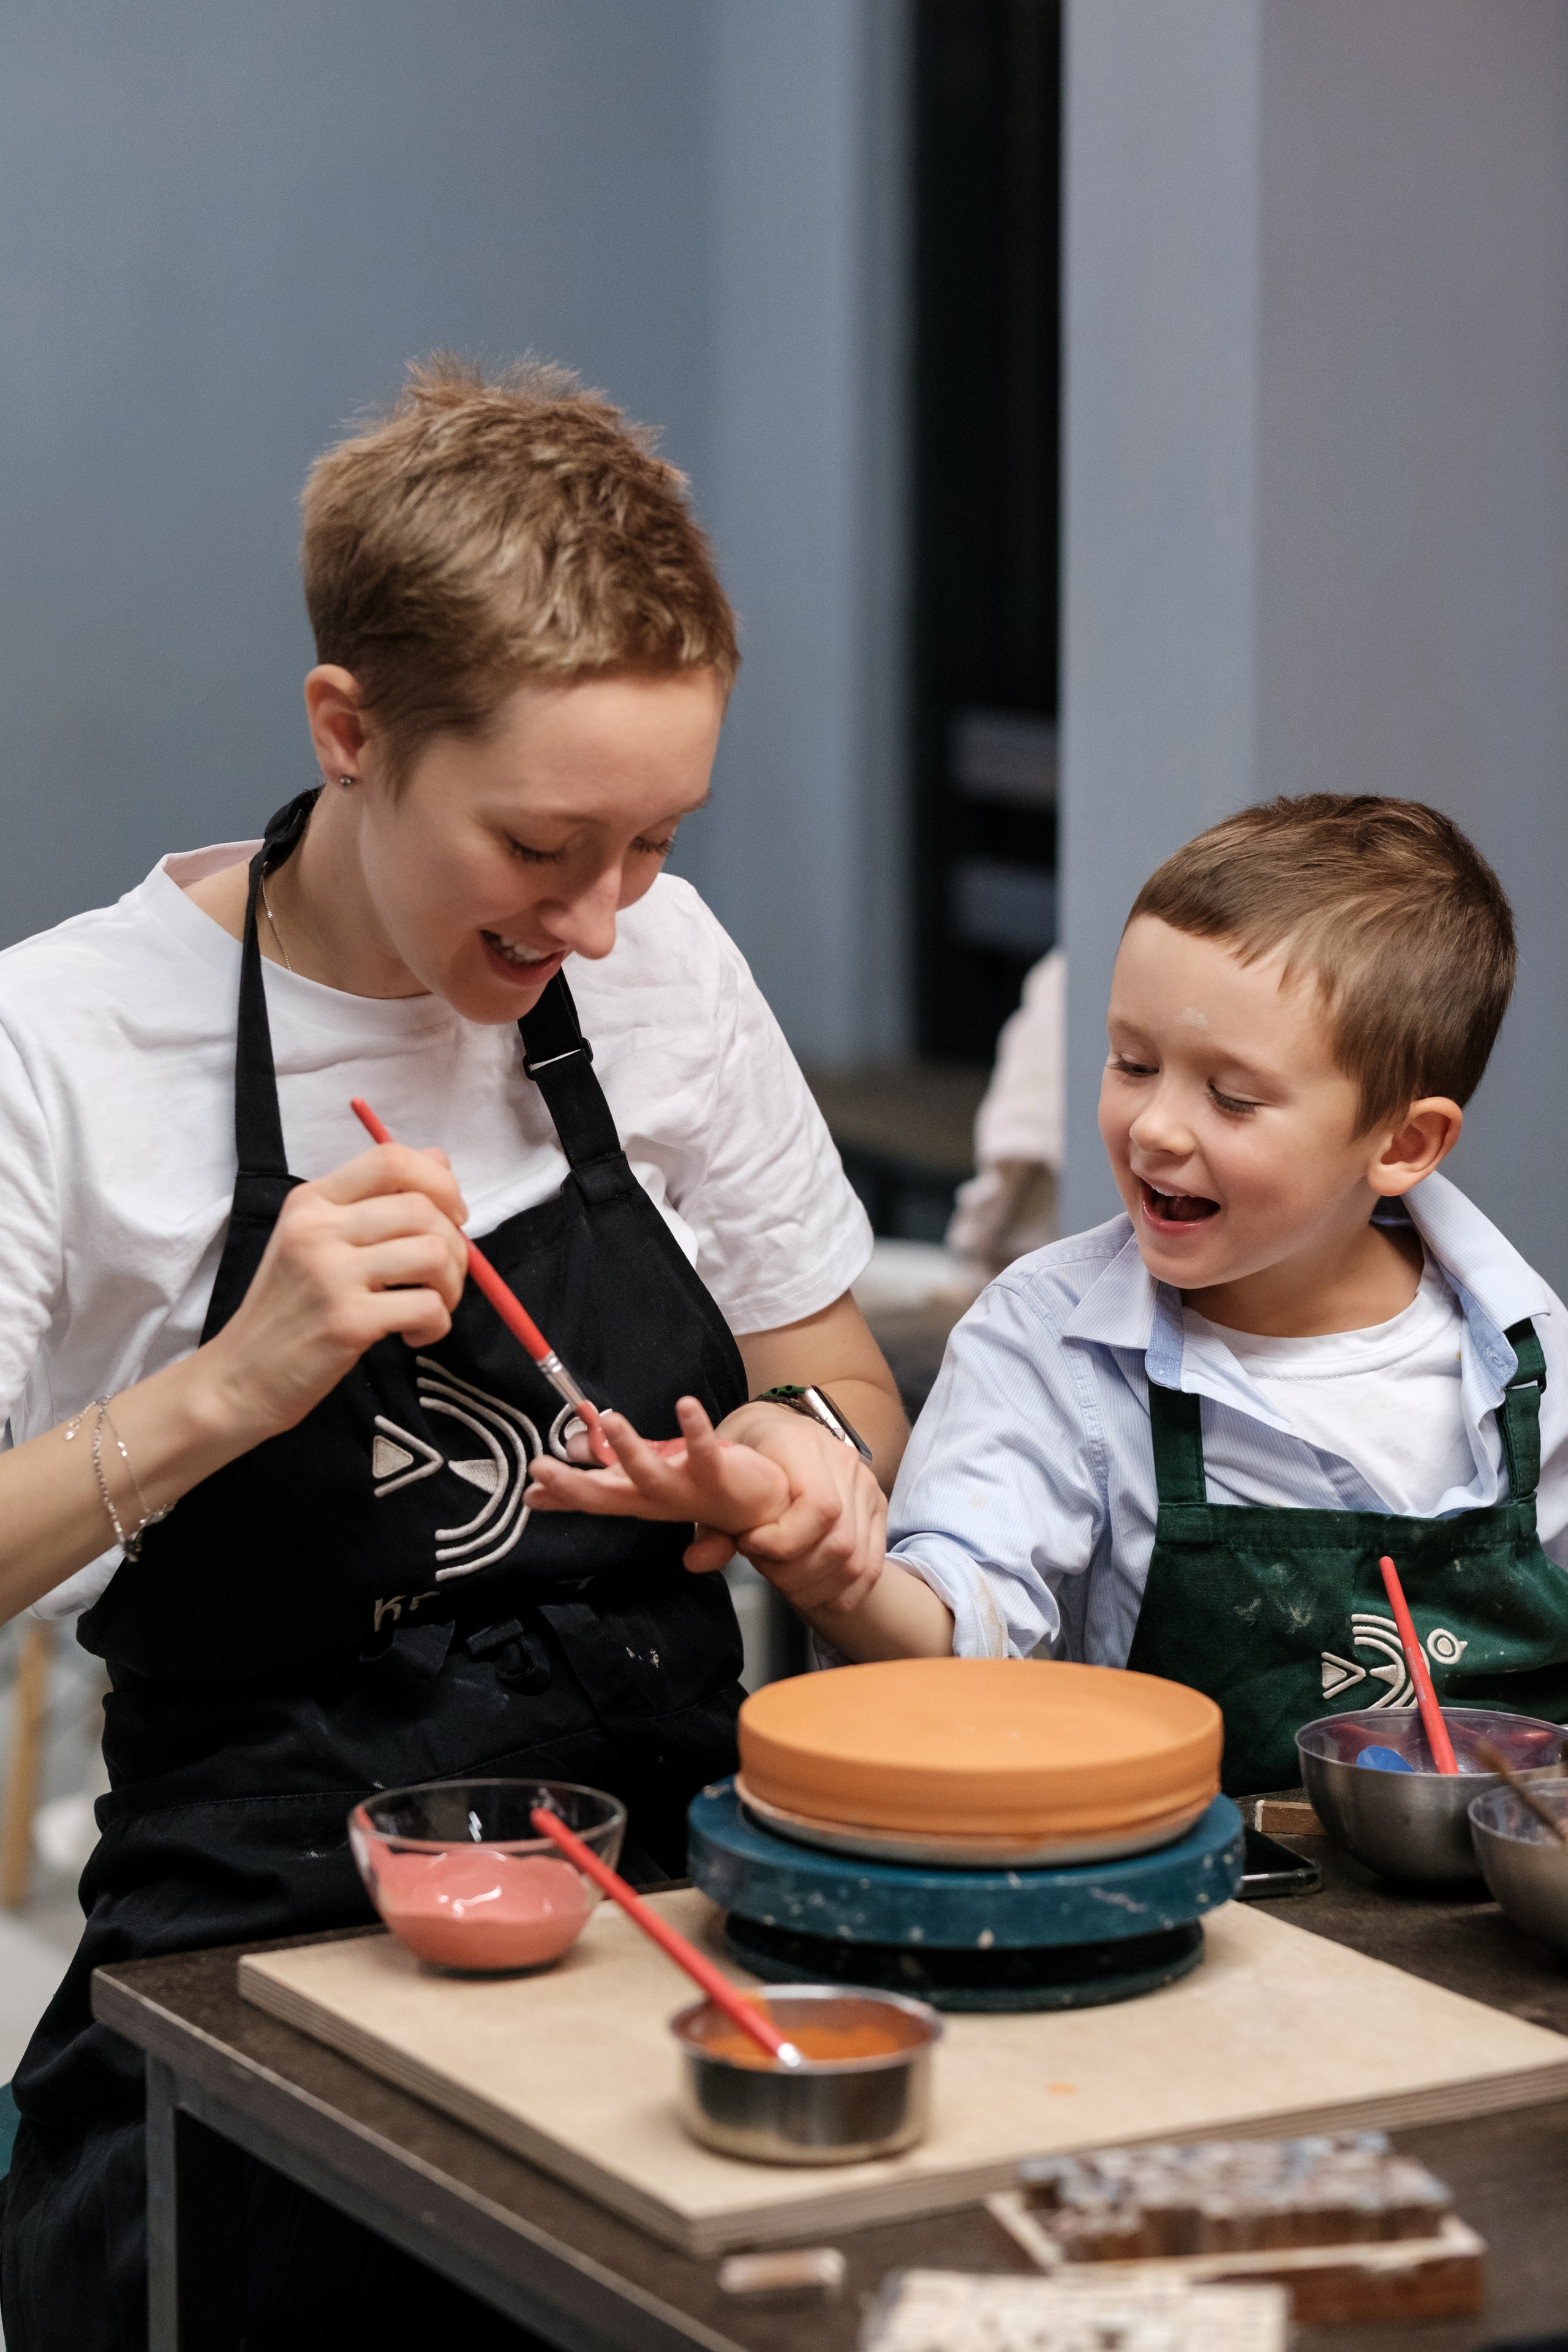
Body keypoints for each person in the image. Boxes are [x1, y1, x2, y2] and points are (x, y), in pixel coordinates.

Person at [0, 356, 943, 2352]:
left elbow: (841, 1377)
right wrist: (225, 1390)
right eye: (543, 848)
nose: (606, 920)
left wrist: (794, 1468)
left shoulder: (663, 973)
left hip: (680, 1910)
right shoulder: (67, 1050)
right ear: (351, 732)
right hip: (272, 1957)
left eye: (657, 844)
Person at [567, 797, 1568, 1787]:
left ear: (1404, 1144)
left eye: (1231, 1096)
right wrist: (837, 1569)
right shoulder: (1048, 1342)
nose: (1156, 1129)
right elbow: (963, 1634)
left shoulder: (1525, 1351)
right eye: (1133, 1063)